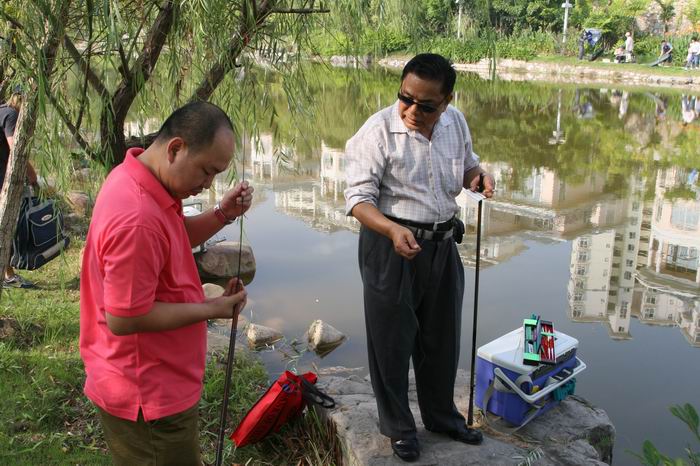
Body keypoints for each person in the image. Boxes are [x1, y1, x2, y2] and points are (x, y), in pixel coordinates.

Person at [79, 101, 253, 465]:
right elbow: (124, 317)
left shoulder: (138, 178)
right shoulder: (137, 216)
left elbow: (174, 237)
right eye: (207, 171)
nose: (208, 184)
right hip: (147, 398)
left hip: (154, 385)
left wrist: (223, 214)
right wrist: (211, 308)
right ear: (176, 148)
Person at [344, 53, 495, 463]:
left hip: (443, 245)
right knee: (391, 342)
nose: (412, 110)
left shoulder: (455, 122)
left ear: (446, 102)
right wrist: (392, 230)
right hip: (390, 244)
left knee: (442, 339)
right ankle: (399, 428)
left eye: (426, 105)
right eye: (405, 98)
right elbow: (358, 201)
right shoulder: (378, 131)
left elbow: (467, 167)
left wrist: (478, 177)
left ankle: (442, 418)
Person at [0, 87, 39, 288]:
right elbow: (16, 150)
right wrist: (32, 176)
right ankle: (8, 275)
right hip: (2, 182)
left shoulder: (1, 111)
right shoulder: (12, 115)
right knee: (5, 227)